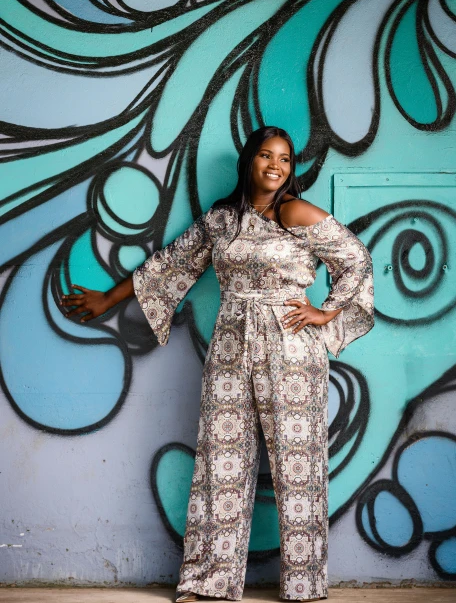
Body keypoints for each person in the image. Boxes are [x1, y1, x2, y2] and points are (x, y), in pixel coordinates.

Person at [61, 125, 374, 602]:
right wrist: (108, 298)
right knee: (219, 459)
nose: (275, 166)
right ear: (249, 161)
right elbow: (170, 265)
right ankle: (210, 581)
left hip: (290, 347)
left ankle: (305, 585)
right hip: (229, 343)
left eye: (285, 159)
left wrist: (326, 311)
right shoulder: (222, 220)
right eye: (266, 156)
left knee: (298, 462)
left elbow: (356, 259)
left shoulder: (296, 212)